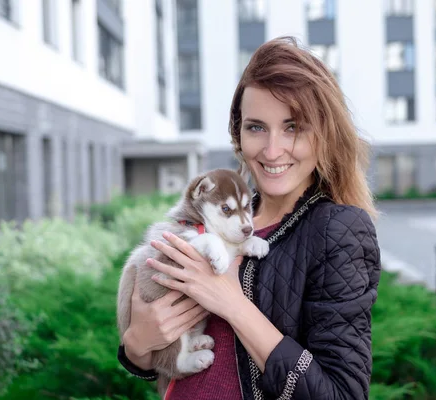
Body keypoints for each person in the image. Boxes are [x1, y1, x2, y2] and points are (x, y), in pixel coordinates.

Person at [117, 36, 382, 400]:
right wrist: (137, 345)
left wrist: (231, 302)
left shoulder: (339, 230)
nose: (273, 150)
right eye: (256, 127)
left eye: (293, 127)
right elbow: (156, 355)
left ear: (323, 135)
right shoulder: (218, 219)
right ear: (238, 135)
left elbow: (341, 394)